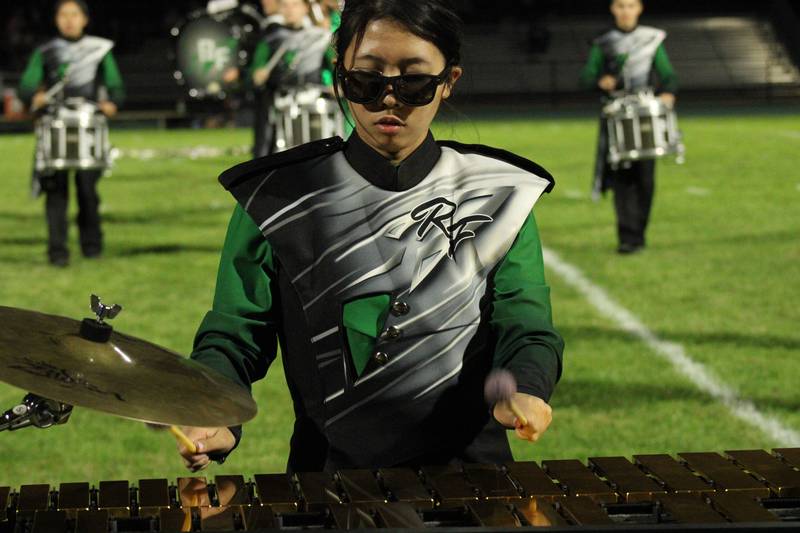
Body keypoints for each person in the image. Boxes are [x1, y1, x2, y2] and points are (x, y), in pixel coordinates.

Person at [180, 0, 564, 473]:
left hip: (473, 478)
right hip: (329, 479)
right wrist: (215, 414)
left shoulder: (501, 194)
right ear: (341, 78)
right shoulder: (275, 197)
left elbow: (525, 322)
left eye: (414, 81)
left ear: (449, 82)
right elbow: (236, 333)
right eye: (368, 80)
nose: (389, 99)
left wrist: (527, 384)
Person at [18, 0, 124, 267]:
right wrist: (36, 96)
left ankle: (92, 247)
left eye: (74, 14)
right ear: (56, 20)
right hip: (55, 126)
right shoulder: (45, 51)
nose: (69, 20)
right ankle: (58, 252)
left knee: (88, 189)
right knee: (56, 192)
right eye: (63, 15)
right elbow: (26, 87)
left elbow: (116, 86)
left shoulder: (101, 48)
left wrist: (113, 103)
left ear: (85, 19)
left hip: (88, 127)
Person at [579, 0, 677, 254]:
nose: (625, 11)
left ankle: (639, 234)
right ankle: (627, 237)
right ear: (613, 9)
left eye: (630, 6)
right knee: (621, 178)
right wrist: (601, 81)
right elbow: (586, 77)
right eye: (621, 6)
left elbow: (668, 74)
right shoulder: (604, 41)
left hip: (645, 112)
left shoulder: (652, 38)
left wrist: (668, 93)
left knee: (646, 178)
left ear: (640, 8)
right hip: (616, 114)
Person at [249, 0, 335, 157]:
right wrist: (258, 75)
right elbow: (255, 74)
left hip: (312, 101)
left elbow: (335, 67)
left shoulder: (319, 37)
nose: (290, 10)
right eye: (285, 6)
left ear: (305, 8)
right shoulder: (271, 38)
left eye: (295, 5)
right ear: (279, 9)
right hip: (279, 104)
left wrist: (335, 85)